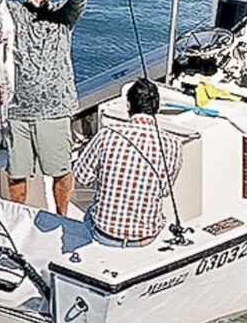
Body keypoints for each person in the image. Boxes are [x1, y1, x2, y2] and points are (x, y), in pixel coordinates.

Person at [0, 0, 87, 216]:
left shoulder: (61, 14)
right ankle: (18, 217)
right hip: (17, 111)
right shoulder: (13, 12)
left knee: (60, 170)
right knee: (16, 173)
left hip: (55, 109)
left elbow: (79, 3)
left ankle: (62, 217)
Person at [74, 78, 183, 247]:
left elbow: (81, 177)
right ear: (158, 107)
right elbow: (164, 190)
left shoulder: (107, 135)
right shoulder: (173, 145)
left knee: (89, 212)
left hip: (103, 233)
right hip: (145, 237)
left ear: (128, 105)